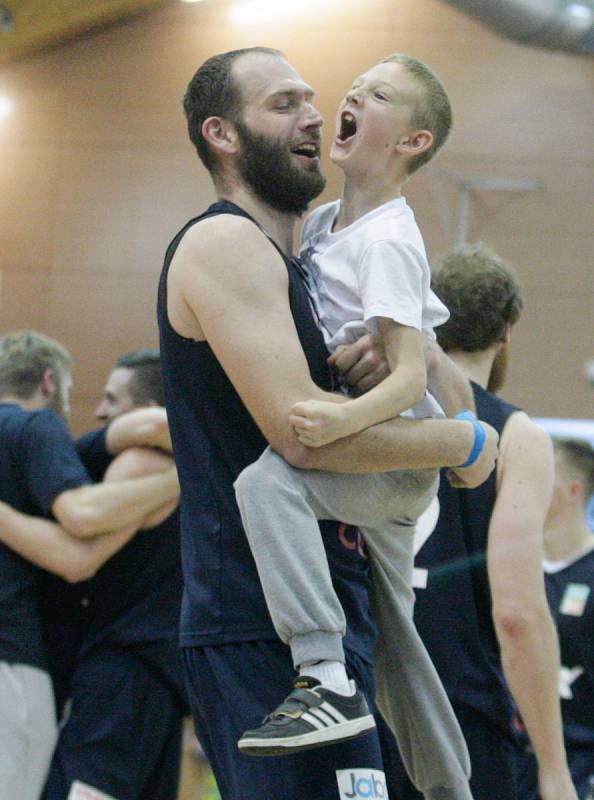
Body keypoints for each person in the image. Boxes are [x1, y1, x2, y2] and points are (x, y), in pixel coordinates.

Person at [158, 46, 497, 800]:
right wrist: (461, 441)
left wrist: (414, 365)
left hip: (336, 609)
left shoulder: (324, 248)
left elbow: (440, 386)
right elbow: (300, 435)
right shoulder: (225, 244)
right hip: (256, 620)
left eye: (313, 99)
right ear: (223, 134)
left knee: (405, 654)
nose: (313, 114)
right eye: (284, 104)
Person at [380, 242, 578, 800]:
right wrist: (554, 766)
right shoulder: (517, 436)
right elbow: (516, 613)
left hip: (362, 695)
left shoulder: (375, 407)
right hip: (454, 709)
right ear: (506, 330)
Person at [0, 331, 180, 800]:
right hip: (138, 673)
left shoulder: (133, 459)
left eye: (110, 398)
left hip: (125, 671)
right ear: (47, 381)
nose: (97, 409)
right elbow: (78, 537)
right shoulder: (41, 435)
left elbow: (81, 535)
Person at [518, 438, 594, 799]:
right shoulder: (511, 570)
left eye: (540, 477)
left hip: (580, 764)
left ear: (572, 491)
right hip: (512, 757)